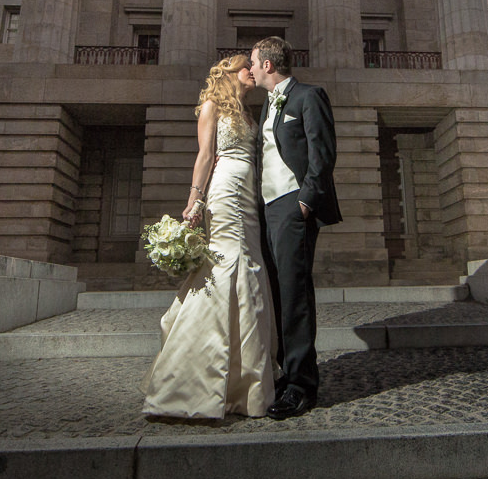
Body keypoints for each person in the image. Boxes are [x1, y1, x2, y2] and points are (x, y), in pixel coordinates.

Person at [140, 55, 278, 420]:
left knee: (250, 267)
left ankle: (243, 384)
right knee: (227, 263)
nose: (252, 69)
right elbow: (205, 155)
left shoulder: (249, 112)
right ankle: (190, 381)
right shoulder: (211, 105)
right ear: (230, 72)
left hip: (249, 194)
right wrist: (194, 202)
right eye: (245, 66)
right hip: (226, 190)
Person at [250, 36, 341, 420]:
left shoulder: (308, 96)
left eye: (254, 62)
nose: (250, 69)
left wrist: (305, 201)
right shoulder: (266, 107)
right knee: (276, 294)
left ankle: (301, 386)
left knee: (294, 294)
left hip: (292, 206)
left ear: (268, 65)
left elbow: (323, 153)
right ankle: (285, 373)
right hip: (266, 209)